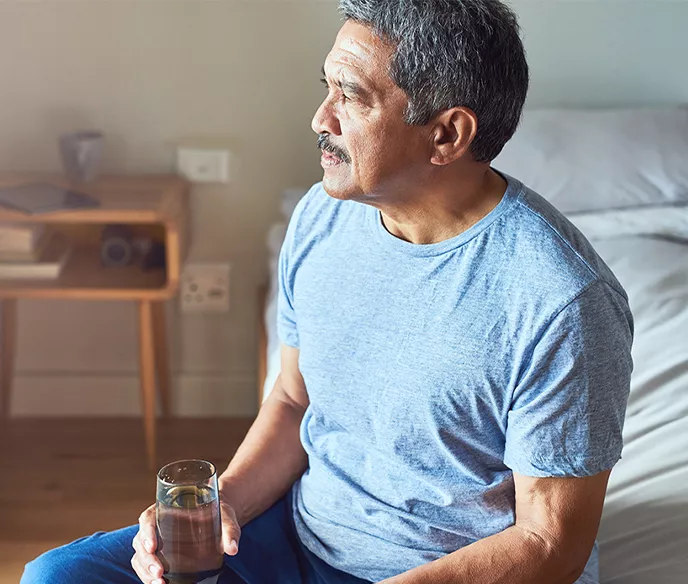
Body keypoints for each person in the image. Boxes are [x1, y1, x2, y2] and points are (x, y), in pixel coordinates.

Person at [21, 1, 633, 583]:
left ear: (447, 134)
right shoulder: (324, 214)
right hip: (300, 538)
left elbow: (551, 546)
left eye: (352, 96)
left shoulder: (563, 303)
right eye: (328, 86)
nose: (321, 118)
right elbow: (292, 399)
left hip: (442, 572)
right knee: (57, 576)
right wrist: (220, 505)